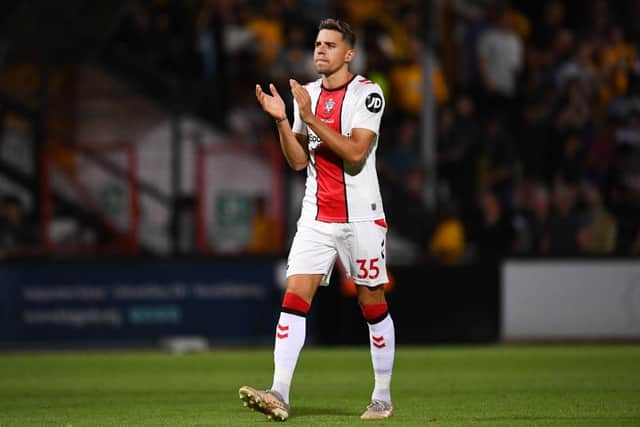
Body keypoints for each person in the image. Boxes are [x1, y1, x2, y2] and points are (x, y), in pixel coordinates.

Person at [239, 18, 395, 421]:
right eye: (317, 43)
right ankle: (279, 392)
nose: (320, 50)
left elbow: (356, 155)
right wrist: (280, 120)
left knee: (370, 301)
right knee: (295, 294)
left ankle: (381, 397)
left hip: (362, 216)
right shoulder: (304, 94)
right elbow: (297, 162)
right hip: (316, 216)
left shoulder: (368, 94)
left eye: (330, 44)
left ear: (349, 54)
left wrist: (309, 120)